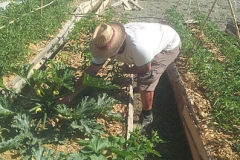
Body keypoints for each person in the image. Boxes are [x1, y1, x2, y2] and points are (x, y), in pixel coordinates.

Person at [59, 21, 181, 132]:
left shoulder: (139, 47)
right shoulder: (103, 41)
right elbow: (92, 70)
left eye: (109, 52)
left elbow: (146, 68)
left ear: (118, 44)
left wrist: (128, 70)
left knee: (146, 79)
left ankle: (147, 116)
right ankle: (141, 89)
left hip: (169, 45)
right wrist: (72, 94)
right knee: (140, 68)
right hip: (154, 38)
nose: (107, 55)